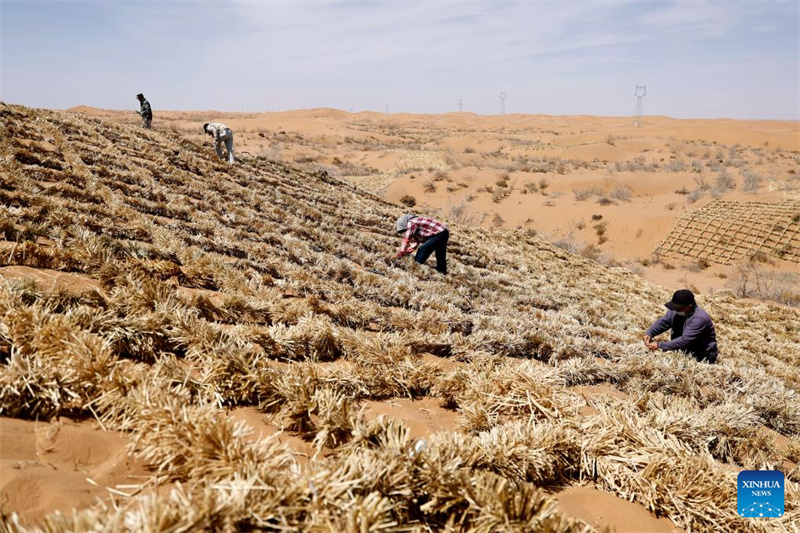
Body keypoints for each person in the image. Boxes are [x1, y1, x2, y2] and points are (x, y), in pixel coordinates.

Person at [643, 289, 718, 363]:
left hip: (702, 355)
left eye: (679, 308)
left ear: (690, 306)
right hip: (683, 351)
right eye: (675, 307)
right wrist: (650, 333)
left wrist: (659, 345)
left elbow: (685, 340)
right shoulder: (676, 310)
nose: (676, 310)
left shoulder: (699, 318)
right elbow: (664, 322)